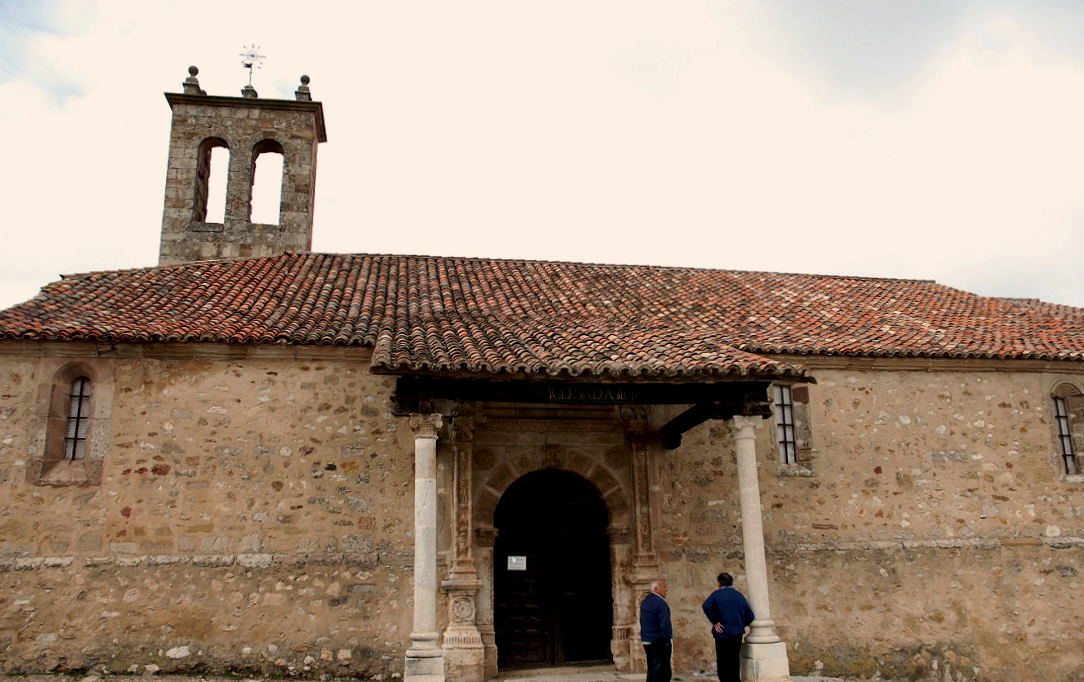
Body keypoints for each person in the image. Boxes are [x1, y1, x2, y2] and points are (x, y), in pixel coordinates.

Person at [701, 572, 754, 682]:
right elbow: (750, 615)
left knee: (723, 660)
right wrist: (741, 624)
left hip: (722, 633)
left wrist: (715, 622)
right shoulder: (739, 596)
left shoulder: (716, 595)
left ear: (719, 583)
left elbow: (706, 605)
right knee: (734, 660)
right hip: (736, 633)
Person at [639, 578, 672, 682]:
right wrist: (667, 640)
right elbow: (665, 625)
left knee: (652, 670)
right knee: (663, 672)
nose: (666, 589)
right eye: (664, 587)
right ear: (656, 589)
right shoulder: (660, 603)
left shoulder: (646, 601)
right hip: (658, 642)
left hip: (647, 640)